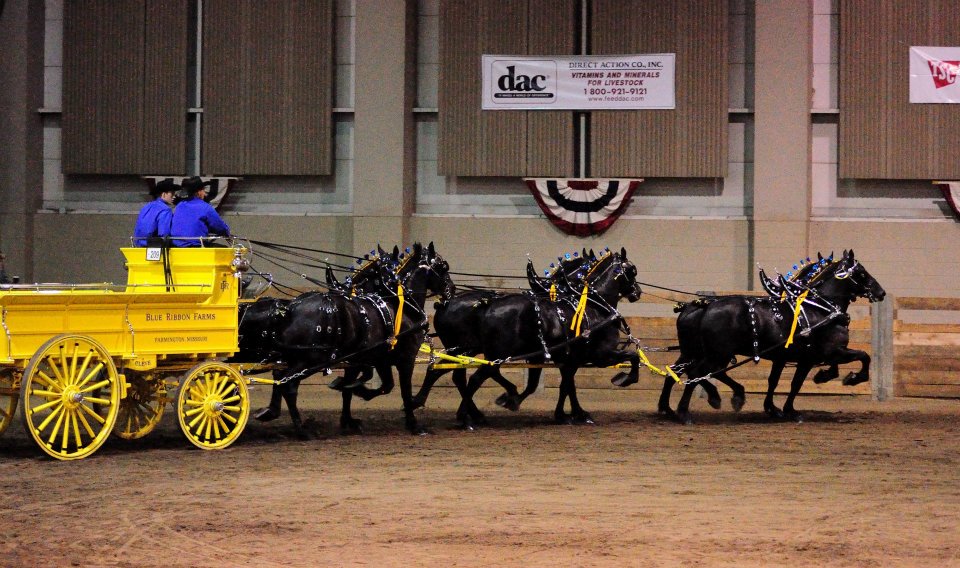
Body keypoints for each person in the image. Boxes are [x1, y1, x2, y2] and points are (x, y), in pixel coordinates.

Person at [170, 176, 230, 247]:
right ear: (199, 192)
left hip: (176, 246)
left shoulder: (179, 206)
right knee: (224, 249)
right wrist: (226, 231)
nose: (204, 193)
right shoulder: (205, 207)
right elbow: (219, 226)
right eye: (203, 190)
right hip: (195, 246)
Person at [133, 178, 177, 246]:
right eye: (172, 193)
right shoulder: (165, 210)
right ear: (164, 194)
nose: (174, 196)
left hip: (138, 243)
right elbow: (164, 233)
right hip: (154, 245)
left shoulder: (146, 207)